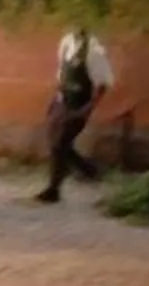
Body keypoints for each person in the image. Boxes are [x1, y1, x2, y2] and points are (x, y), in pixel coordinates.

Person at [37, 27, 113, 203]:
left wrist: (88, 108)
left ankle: (53, 190)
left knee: (60, 143)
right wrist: (55, 101)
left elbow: (103, 84)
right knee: (55, 141)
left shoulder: (94, 49)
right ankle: (88, 170)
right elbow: (62, 74)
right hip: (61, 102)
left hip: (79, 104)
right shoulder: (66, 42)